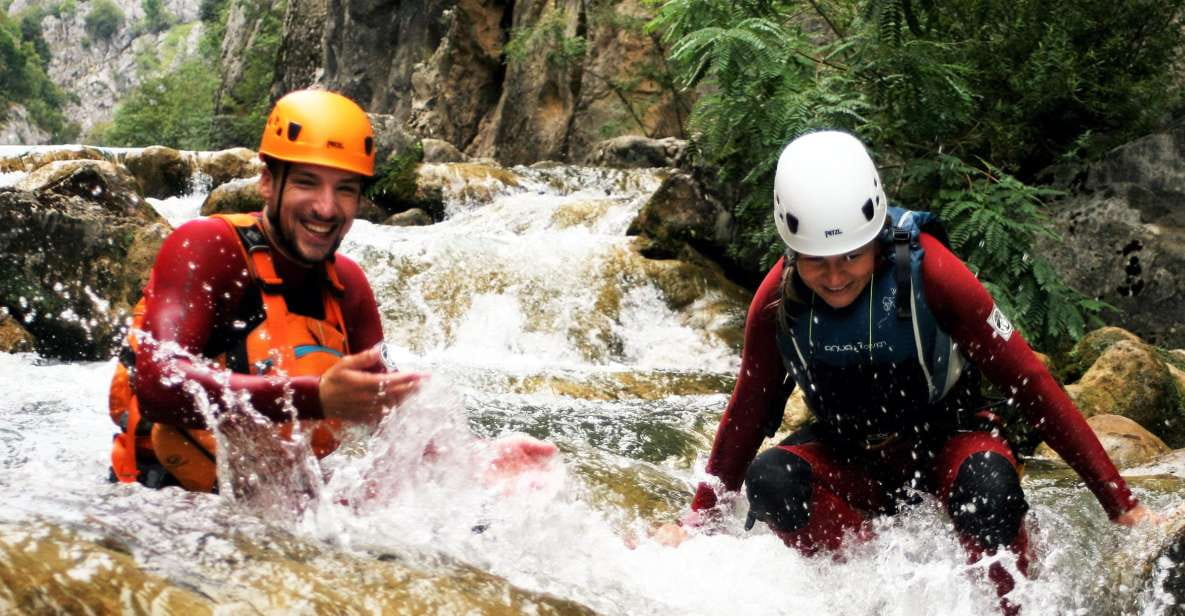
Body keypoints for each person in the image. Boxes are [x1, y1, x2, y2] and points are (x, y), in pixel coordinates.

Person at [656, 130, 1152, 613]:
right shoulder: (776, 301)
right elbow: (748, 409)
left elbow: (1031, 384)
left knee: (989, 486)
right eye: (817, 262)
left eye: (851, 255)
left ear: (875, 236)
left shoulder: (932, 272)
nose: (834, 277)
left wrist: (1121, 504)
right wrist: (699, 519)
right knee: (772, 481)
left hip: (950, 441)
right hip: (850, 457)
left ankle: (1012, 604)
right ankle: (873, 595)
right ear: (792, 250)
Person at [107, 89, 427, 492]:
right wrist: (316, 397)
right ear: (267, 182)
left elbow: (392, 417)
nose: (326, 208)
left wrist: (483, 462)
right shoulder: (208, 246)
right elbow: (157, 384)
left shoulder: (349, 287)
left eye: (345, 189)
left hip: (275, 514)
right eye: (307, 183)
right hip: (159, 506)